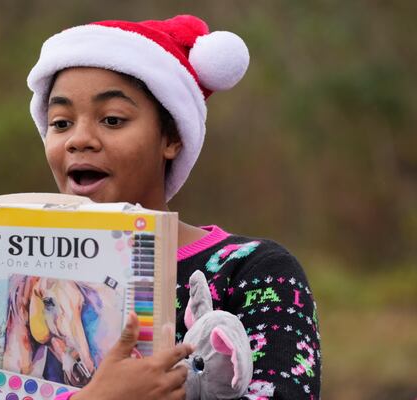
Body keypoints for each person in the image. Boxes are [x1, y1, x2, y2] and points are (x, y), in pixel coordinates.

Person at [26, 15, 321, 399]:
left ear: (172, 137)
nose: (78, 140)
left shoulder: (253, 271)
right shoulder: (33, 282)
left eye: (112, 119)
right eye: (61, 123)